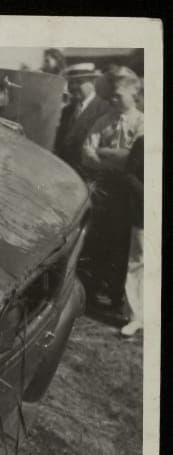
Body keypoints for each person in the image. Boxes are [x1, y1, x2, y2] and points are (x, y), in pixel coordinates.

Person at [79, 70, 144, 313]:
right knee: (101, 240)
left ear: (134, 94)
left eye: (117, 96)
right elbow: (87, 154)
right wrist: (115, 158)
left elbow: (132, 160)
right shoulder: (103, 121)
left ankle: (118, 295)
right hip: (104, 190)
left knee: (124, 245)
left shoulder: (143, 123)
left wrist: (103, 152)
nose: (112, 101)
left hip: (129, 195)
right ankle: (95, 290)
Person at [54, 63, 109, 173]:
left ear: (93, 82)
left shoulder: (104, 108)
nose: (73, 87)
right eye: (70, 83)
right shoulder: (67, 110)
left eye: (79, 82)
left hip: (87, 174)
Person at [121, 135, 144, 337]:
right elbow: (130, 175)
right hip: (145, 212)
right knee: (138, 262)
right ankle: (135, 317)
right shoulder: (144, 142)